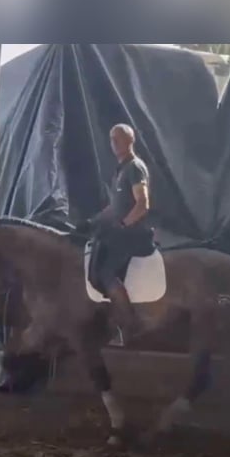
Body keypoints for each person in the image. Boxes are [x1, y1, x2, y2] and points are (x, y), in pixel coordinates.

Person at [77, 123, 155, 338]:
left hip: (133, 234)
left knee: (106, 271)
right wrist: (92, 222)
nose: (114, 143)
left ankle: (131, 324)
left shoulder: (135, 168)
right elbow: (115, 207)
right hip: (121, 232)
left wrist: (123, 225)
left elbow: (143, 203)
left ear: (130, 141)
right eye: (112, 139)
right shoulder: (120, 171)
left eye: (119, 139)